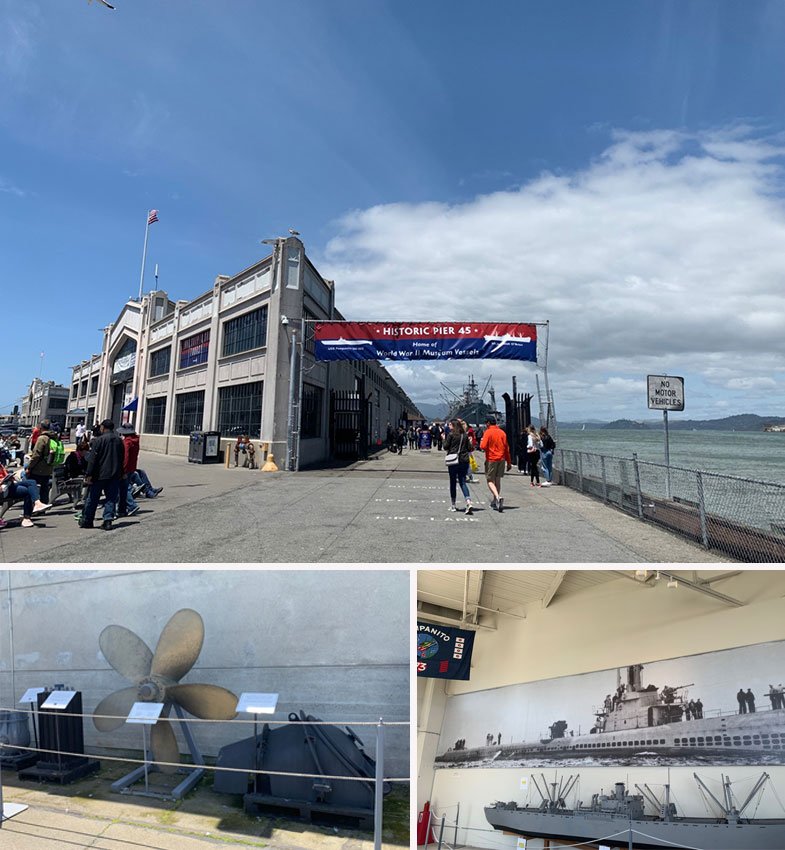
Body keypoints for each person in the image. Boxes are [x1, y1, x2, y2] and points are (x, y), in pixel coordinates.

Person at [80, 419, 124, 530]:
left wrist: (88, 474)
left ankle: (87, 520)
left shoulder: (99, 440)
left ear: (103, 428)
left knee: (93, 498)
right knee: (111, 498)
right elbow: (122, 458)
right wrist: (122, 472)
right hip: (114, 474)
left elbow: (93, 459)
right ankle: (108, 520)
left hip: (99, 474)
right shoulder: (119, 441)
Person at [0, 464, 51, 528]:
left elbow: (4, 475)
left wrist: (10, 478)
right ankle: (27, 517)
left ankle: (37, 503)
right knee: (28, 491)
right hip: (3, 489)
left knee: (32, 482)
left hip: (9, 485)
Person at [480, 416, 512, 512]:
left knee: (490, 480)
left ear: (488, 423)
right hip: (501, 459)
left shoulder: (488, 432)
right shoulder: (502, 433)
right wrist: (509, 462)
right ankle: (495, 500)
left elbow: (483, 446)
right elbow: (507, 448)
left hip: (491, 459)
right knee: (497, 480)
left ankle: (497, 497)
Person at [443, 419, 474, 515]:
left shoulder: (451, 435)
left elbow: (445, 447)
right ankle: (468, 501)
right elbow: (469, 448)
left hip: (453, 460)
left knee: (453, 482)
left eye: (450, 425)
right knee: (462, 481)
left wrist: (443, 439)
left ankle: (453, 505)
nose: (449, 426)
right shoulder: (464, 435)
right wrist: (470, 442)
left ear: (454, 426)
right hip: (464, 460)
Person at [26, 419, 60, 504]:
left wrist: (29, 467)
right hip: (48, 466)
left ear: (40, 427)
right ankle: (44, 505)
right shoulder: (54, 437)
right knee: (44, 488)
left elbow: (36, 455)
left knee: (34, 487)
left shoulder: (42, 438)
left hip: (39, 468)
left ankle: (34, 506)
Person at [116, 423, 142, 518]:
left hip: (126, 469)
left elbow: (125, 457)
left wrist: (123, 470)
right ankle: (122, 509)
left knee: (123, 489)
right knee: (124, 488)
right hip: (132, 467)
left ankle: (132, 506)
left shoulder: (127, 442)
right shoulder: (135, 440)